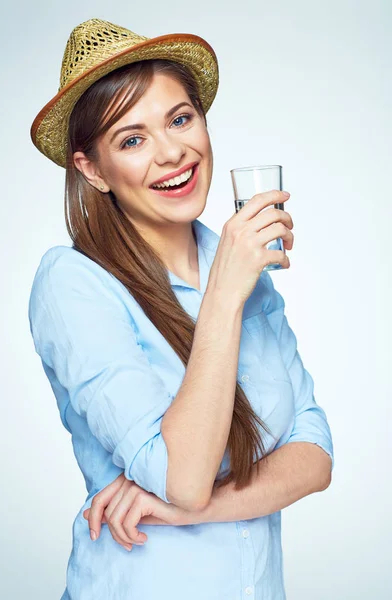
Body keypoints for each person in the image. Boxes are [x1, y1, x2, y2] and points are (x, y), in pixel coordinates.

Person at [28, 17, 334, 600]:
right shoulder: (74, 282)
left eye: (180, 119)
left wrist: (190, 513)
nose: (173, 153)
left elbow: (315, 455)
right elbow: (183, 478)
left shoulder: (242, 269)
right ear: (91, 168)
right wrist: (222, 294)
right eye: (132, 139)